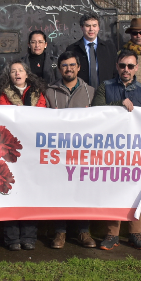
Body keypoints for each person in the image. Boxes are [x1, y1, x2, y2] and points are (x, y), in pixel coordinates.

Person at [92, 50, 141, 250]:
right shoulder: (105, 86)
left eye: (130, 66)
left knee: (137, 189)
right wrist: (118, 105)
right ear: (117, 66)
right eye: (122, 66)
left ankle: (135, 233)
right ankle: (112, 235)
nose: (126, 70)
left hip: (136, 150)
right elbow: (96, 111)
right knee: (113, 190)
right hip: (111, 148)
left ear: (136, 68)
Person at [44, 51, 97, 249]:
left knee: (82, 191)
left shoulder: (91, 91)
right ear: (60, 69)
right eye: (65, 65)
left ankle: (84, 231)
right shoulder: (50, 91)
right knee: (60, 192)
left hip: (83, 152)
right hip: (58, 153)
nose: (69, 68)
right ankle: (60, 232)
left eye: (72, 65)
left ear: (79, 67)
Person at [0, 60, 46, 250]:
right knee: (11, 190)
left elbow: (41, 114)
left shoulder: (38, 93)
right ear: (9, 75)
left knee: (30, 192)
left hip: (32, 149)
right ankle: (12, 238)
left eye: (20, 70)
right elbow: (4, 115)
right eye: (13, 71)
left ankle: (29, 236)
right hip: (10, 150)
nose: (17, 73)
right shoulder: (3, 94)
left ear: (27, 73)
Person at [65, 13, 117, 88]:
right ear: (82, 27)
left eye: (94, 26)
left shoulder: (109, 48)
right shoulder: (72, 49)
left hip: (105, 93)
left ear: (98, 27)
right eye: (88, 26)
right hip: (81, 92)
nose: (91, 29)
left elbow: (115, 72)